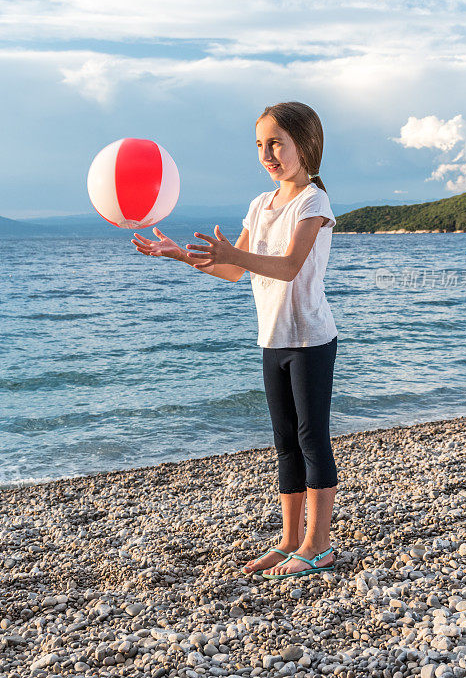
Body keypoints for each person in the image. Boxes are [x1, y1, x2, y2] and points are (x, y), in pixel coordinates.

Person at [131, 101, 339, 579]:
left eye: (276, 143)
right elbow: (229, 271)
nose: (267, 154)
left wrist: (237, 255)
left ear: (303, 145)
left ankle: (319, 544)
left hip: (310, 338)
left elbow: (288, 267)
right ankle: (289, 542)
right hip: (273, 338)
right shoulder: (258, 205)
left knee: (312, 439)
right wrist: (180, 255)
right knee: (285, 441)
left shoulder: (313, 202)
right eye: (260, 145)